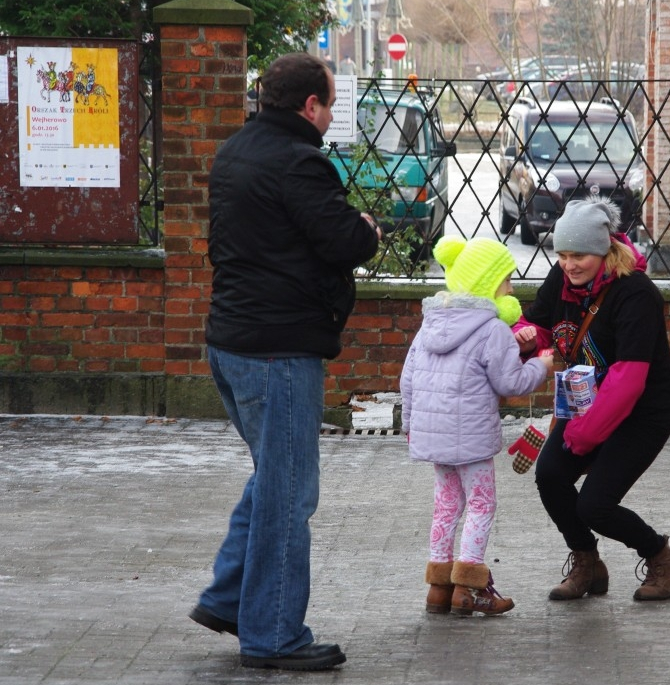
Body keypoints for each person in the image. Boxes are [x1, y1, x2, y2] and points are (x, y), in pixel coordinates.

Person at [189, 52, 382, 671]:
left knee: (273, 479)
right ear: (310, 107)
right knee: (289, 493)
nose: (329, 117)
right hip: (278, 350)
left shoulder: (236, 151)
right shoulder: (300, 160)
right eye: (328, 104)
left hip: (232, 342)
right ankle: (273, 633)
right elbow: (344, 241)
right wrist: (368, 228)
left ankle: (227, 599)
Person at [512, 196, 670, 602]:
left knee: (595, 505)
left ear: (605, 249)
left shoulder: (636, 295)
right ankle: (587, 562)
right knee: (550, 477)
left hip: (642, 413)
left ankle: (660, 556)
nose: (570, 265)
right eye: (563, 254)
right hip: (584, 403)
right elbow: (537, 322)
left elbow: (628, 379)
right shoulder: (562, 279)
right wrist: (527, 338)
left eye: (580, 255)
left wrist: (584, 436)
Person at [401, 236, 554, 616]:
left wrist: (410, 426)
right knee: (482, 504)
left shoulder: (430, 325)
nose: (512, 288)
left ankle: (438, 587)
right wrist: (542, 366)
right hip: (471, 441)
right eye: (507, 281)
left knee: (446, 506)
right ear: (488, 285)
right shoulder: (491, 330)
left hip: (433, 437)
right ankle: (469, 588)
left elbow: (408, 381)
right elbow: (511, 383)